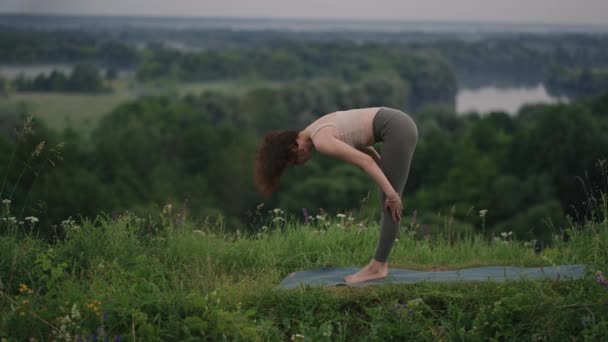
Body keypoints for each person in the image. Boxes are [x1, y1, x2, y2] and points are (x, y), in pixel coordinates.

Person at [254, 107, 418, 284]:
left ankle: (378, 267)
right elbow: (362, 144)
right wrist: (384, 171)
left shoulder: (322, 141)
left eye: (292, 162)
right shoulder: (315, 128)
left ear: (295, 148)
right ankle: (378, 265)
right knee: (387, 194)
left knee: (389, 202)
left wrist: (392, 195)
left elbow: (365, 161)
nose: (297, 165)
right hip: (397, 123)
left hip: (397, 128)